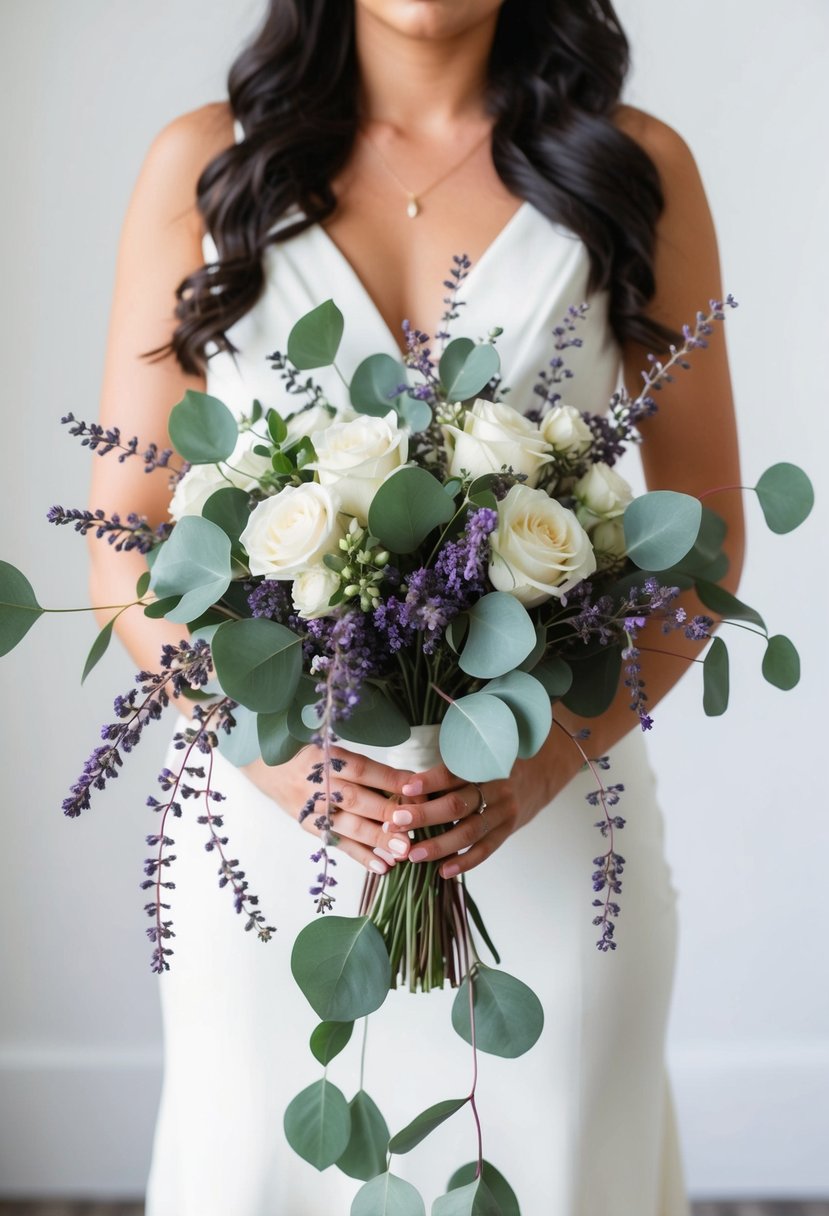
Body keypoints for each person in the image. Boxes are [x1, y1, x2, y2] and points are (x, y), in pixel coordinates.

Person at [88, 1, 744, 1212]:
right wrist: (279, 763)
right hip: (270, 837)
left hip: (553, 839)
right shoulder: (207, 166)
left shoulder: (631, 169)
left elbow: (701, 534)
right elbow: (123, 538)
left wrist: (541, 769)